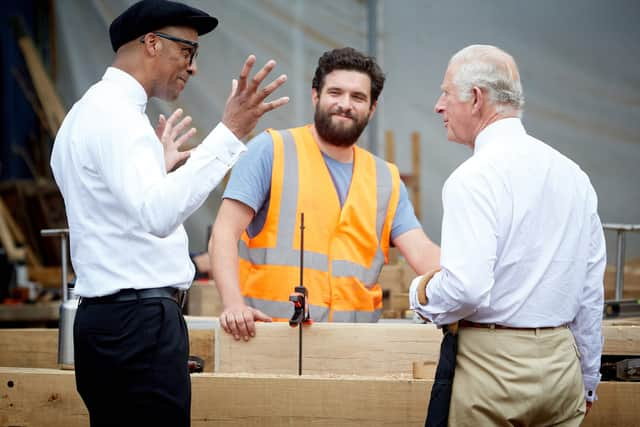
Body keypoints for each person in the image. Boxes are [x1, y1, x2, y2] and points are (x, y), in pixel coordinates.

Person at [50, 0, 288, 425]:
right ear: (153, 44)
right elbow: (157, 215)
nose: (192, 66)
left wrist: (156, 172)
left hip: (114, 321)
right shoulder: (117, 118)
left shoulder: (88, 112)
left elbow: (115, 207)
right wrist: (229, 133)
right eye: (188, 51)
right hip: (137, 324)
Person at [410, 44, 605, 426]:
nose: (438, 105)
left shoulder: (473, 179)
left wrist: (422, 292)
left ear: (477, 99)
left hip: (493, 372)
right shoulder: (573, 176)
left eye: (446, 93)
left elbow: (466, 289)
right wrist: (588, 379)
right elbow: (589, 290)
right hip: (562, 368)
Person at [209, 47, 440, 341]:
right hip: (268, 340)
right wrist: (233, 305)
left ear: (372, 109)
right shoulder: (271, 150)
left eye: (358, 97)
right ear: (316, 95)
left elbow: (422, 253)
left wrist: (476, 277)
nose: (345, 104)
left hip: (354, 350)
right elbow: (224, 233)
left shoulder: (387, 179)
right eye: (335, 92)